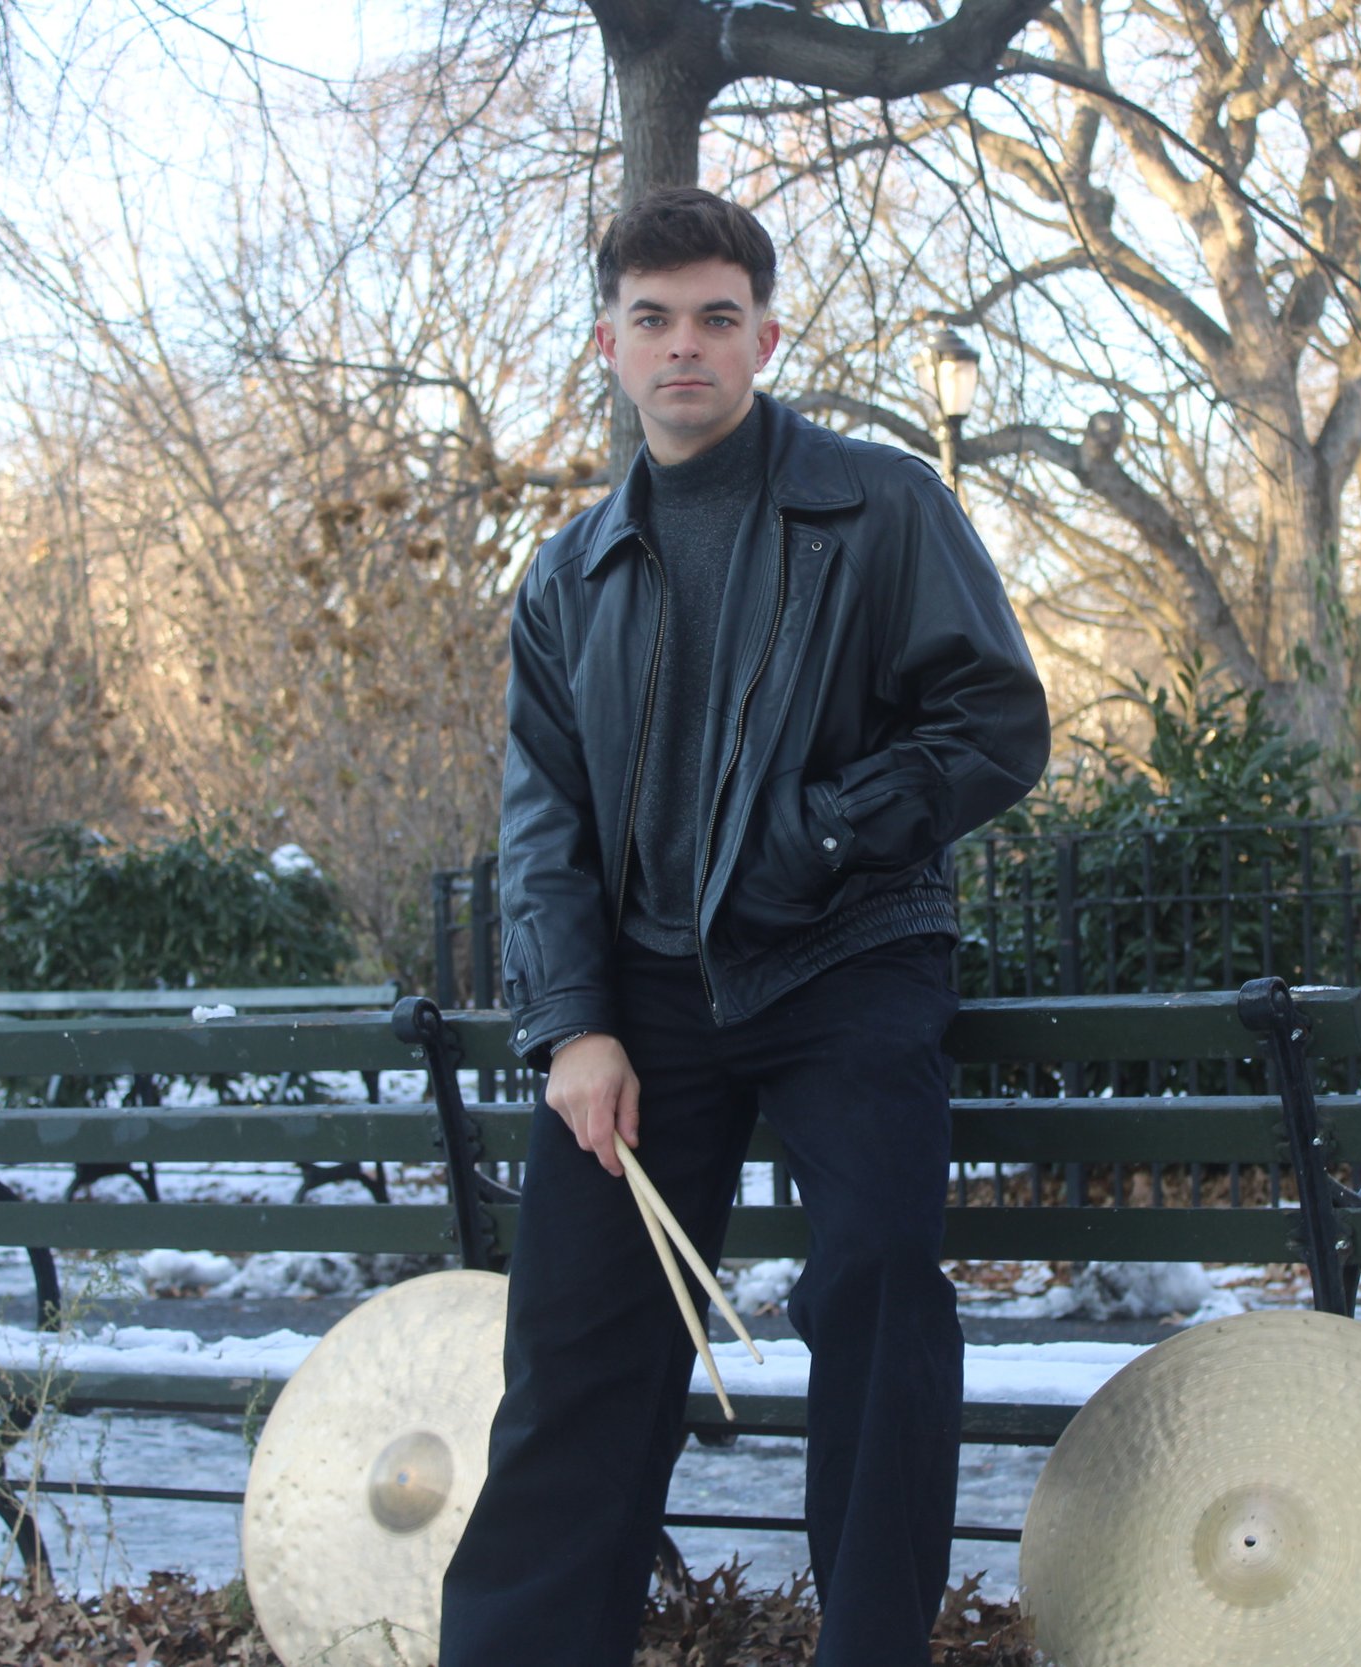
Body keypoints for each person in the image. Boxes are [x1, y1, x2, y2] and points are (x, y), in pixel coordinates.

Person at [436, 186, 1049, 1667]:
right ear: (608, 345)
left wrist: (815, 835)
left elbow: (997, 723)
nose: (685, 346)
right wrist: (571, 1025)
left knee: (876, 1296)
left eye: (717, 317)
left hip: (845, 963)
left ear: (766, 335)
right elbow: (547, 825)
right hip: (643, 1004)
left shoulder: (879, 504)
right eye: (653, 320)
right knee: (576, 1353)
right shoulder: (570, 573)